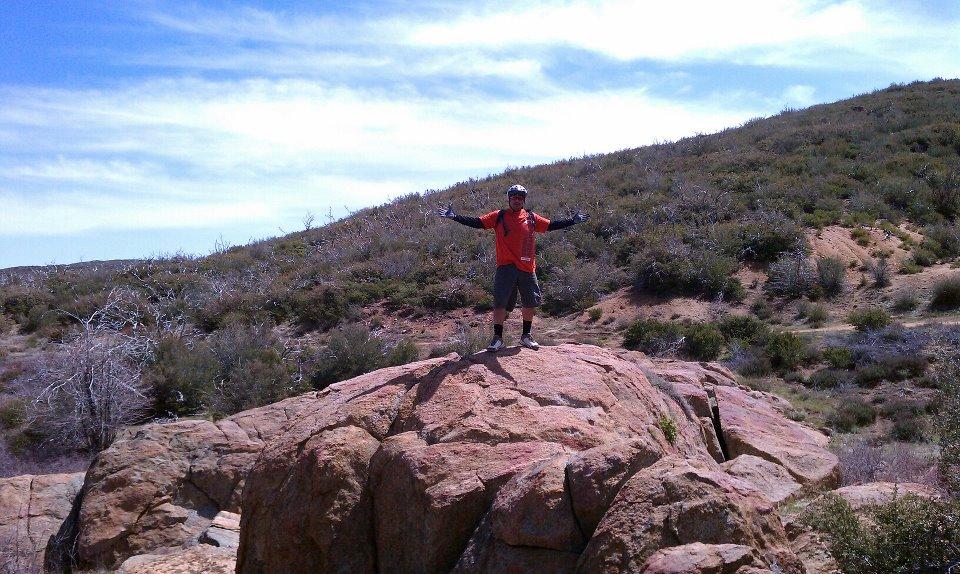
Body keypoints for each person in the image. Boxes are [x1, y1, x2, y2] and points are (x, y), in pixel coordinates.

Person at [437, 184, 589, 352]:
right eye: (514, 197)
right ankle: (497, 338)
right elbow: (478, 222)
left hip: (527, 267)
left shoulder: (531, 218)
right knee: (500, 302)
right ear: (509, 199)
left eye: (520, 198)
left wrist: (572, 221)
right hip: (506, 267)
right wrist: (455, 217)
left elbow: (550, 225)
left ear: (524, 200)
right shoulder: (499, 216)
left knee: (529, 302)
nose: (517, 200)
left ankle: (526, 335)